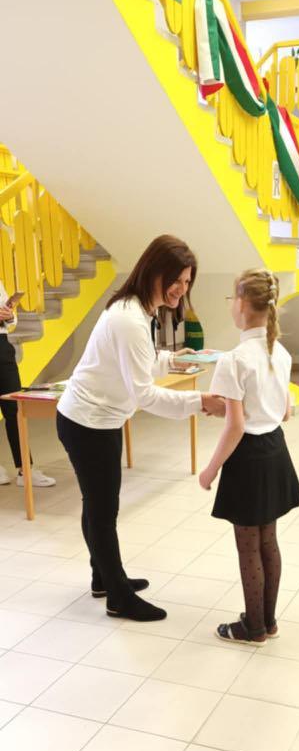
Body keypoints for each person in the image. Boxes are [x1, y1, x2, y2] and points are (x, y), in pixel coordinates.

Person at [57, 235, 225, 623]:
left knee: (97, 505)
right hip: (88, 422)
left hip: (98, 418)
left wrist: (171, 360)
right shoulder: (129, 319)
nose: (181, 289)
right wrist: (201, 401)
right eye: (176, 280)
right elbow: (145, 395)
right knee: (103, 510)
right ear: (154, 272)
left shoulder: (137, 309)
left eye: (187, 282)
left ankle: (104, 578)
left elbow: (135, 364)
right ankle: (118, 597)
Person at [199, 268, 299, 646]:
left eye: (232, 299)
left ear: (242, 305)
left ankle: (252, 628)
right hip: (275, 450)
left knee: (248, 547)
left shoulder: (235, 359)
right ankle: (268, 622)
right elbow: (285, 412)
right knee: (268, 541)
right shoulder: (280, 352)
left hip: (247, 458)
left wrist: (210, 469)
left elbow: (236, 427)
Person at [0, 282, 56, 488]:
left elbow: (10, 320)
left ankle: (25, 469)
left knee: (14, 409)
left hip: (2, 345)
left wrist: (8, 315)